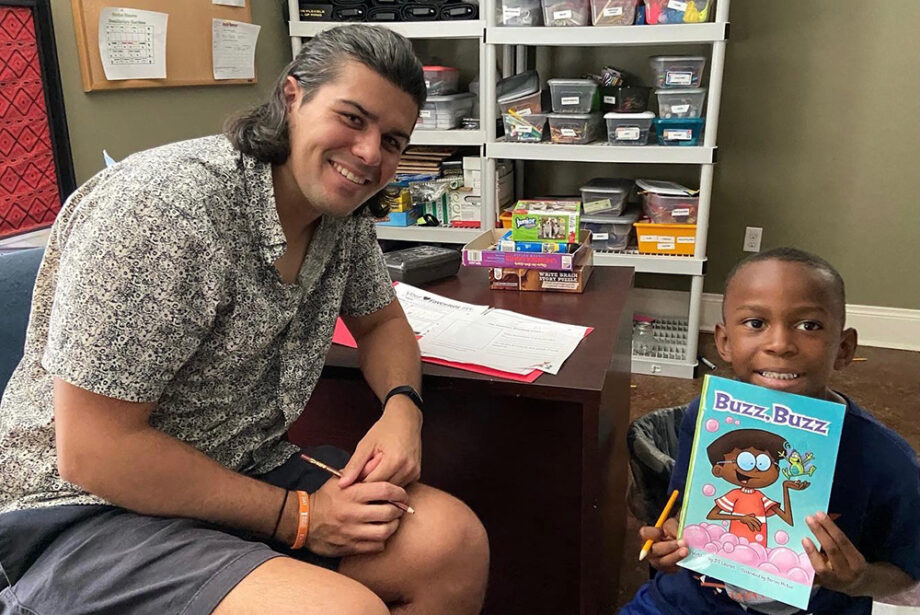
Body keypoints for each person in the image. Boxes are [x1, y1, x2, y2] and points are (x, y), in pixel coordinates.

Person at [0, 25, 489, 615]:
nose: (368, 154)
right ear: (292, 97)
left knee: (452, 544)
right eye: (352, 118)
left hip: (242, 467)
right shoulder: (165, 210)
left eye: (392, 140)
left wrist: (403, 409)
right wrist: (299, 518)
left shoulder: (340, 212)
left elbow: (383, 326)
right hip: (85, 508)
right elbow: (96, 452)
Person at [620, 247, 920, 615]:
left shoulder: (885, 459)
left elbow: (908, 574)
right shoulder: (704, 417)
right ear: (725, 342)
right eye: (755, 323)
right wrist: (670, 543)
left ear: (844, 348)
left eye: (809, 325)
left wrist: (859, 581)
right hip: (685, 602)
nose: (779, 345)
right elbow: (685, 509)